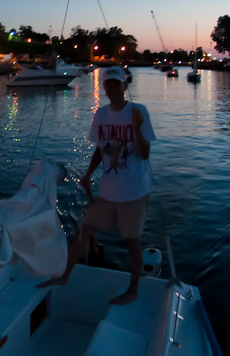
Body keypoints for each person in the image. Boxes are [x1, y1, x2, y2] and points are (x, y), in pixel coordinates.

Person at [40, 64, 155, 304]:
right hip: (108, 193)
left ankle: (133, 290)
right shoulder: (101, 114)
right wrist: (88, 173)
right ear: (104, 87)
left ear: (125, 85)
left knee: (132, 241)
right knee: (84, 229)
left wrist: (136, 128)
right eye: (108, 84)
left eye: (116, 83)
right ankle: (64, 276)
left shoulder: (138, 111)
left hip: (134, 193)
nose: (112, 88)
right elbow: (100, 149)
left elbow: (145, 154)